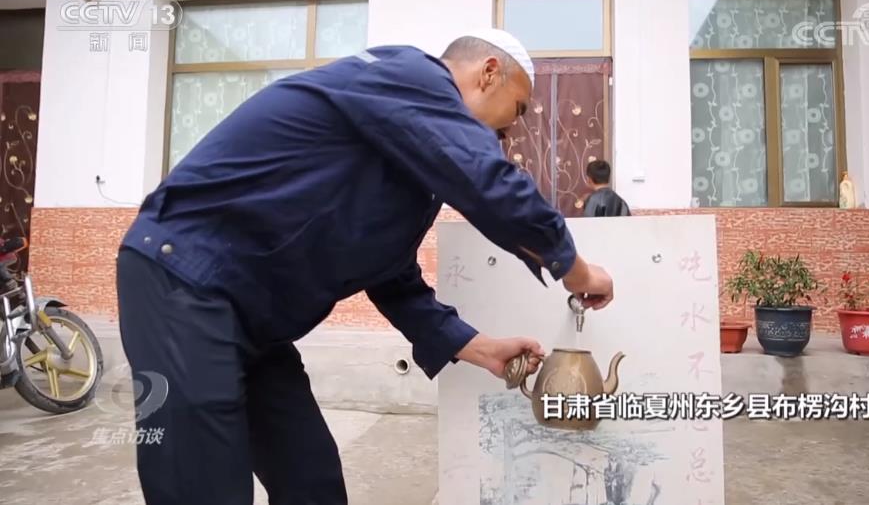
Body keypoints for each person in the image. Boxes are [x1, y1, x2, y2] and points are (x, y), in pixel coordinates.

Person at [115, 28, 614, 505]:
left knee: (311, 480)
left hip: (253, 322)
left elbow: (393, 277)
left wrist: (478, 348)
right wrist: (578, 272)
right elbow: (488, 180)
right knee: (203, 485)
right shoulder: (411, 76)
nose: (509, 133)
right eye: (517, 109)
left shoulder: (409, 158)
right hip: (181, 277)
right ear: (488, 73)